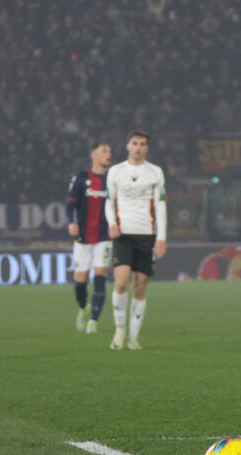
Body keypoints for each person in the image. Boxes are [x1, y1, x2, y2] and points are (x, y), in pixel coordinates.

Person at [105, 131, 167, 350]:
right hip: (123, 235)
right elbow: (109, 202)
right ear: (127, 146)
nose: (138, 147)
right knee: (121, 282)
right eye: (134, 143)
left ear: (147, 148)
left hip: (146, 235)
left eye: (142, 144)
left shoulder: (155, 172)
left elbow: (160, 206)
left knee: (140, 287)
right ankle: (119, 330)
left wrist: (161, 238)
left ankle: (133, 338)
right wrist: (112, 222)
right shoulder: (115, 171)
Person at [66, 143, 113, 333]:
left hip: (105, 236)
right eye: (104, 151)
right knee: (80, 282)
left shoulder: (113, 180)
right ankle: (83, 307)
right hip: (83, 237)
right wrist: (71, 222)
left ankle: (93, 321)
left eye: (109, 151)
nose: (108, 154)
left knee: (100, 277)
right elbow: (70, 205)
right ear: (93, 155)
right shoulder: (81, 178)